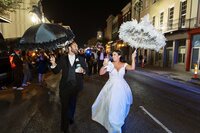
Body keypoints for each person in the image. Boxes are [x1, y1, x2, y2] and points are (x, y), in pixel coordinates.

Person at [92, 49, 136, 133]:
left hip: (122, 89)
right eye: (112, 55)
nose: (113, 56)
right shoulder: (110, 64)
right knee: (112, 107)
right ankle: (113, 127)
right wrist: (104, 65)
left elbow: (132, 68)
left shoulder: (124, 64)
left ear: (119, 56)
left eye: (115, 54)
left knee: (120, 107)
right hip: (111, 89)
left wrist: (133, 57)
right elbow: (101, 73)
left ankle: (119, 123)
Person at [50, 40, 87, 133]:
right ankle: (64, 128)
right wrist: (53, 63)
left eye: (77, 46)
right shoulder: (63, 59)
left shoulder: (81, 58)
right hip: (65, 87)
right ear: (69, 48)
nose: (77, 48)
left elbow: (87, 70)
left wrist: (83, 70)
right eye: (75, 46)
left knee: (73, 104)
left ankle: (70, 116)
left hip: (76, 86)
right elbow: (56, 71)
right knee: (64, 107)